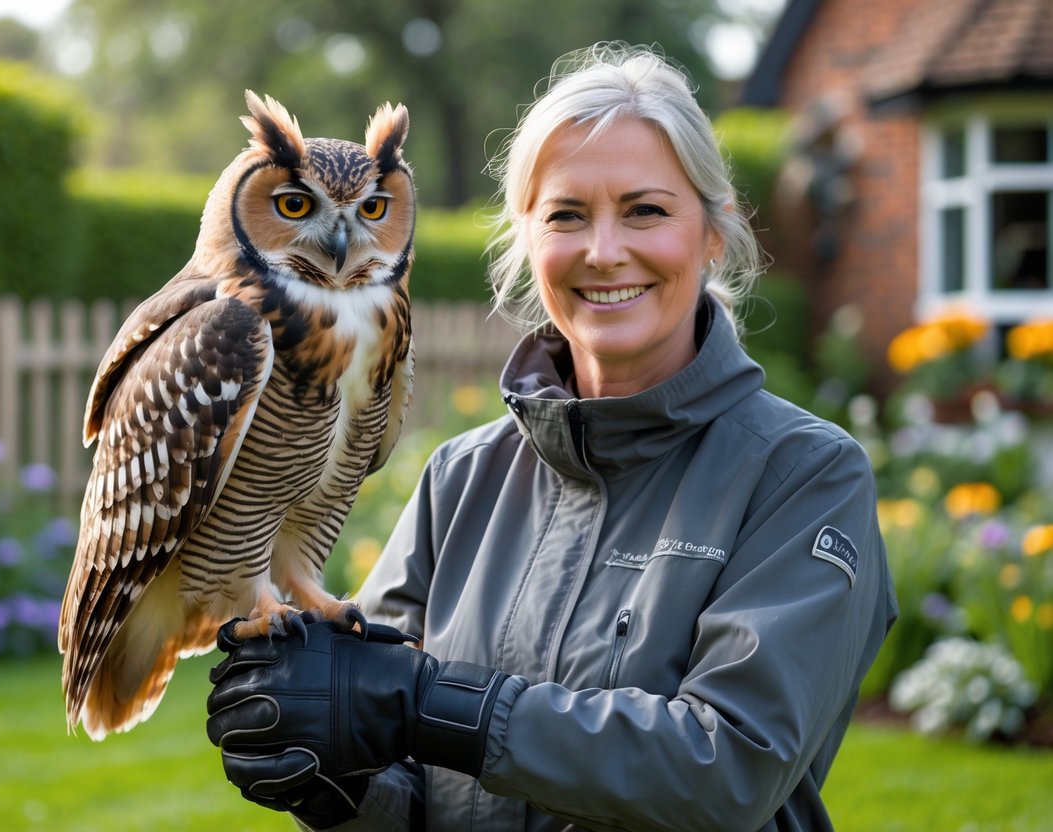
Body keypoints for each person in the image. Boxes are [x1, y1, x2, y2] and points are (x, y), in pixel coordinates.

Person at [205, 41, 898, 831]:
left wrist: (435, 704)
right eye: (566, 215)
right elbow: (404, 780)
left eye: (645, 210)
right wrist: (335, 786)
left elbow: (728, 771)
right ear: (528, 243)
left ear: (712, 234)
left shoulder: (804, 476)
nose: (604, 252)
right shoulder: (459, 479)